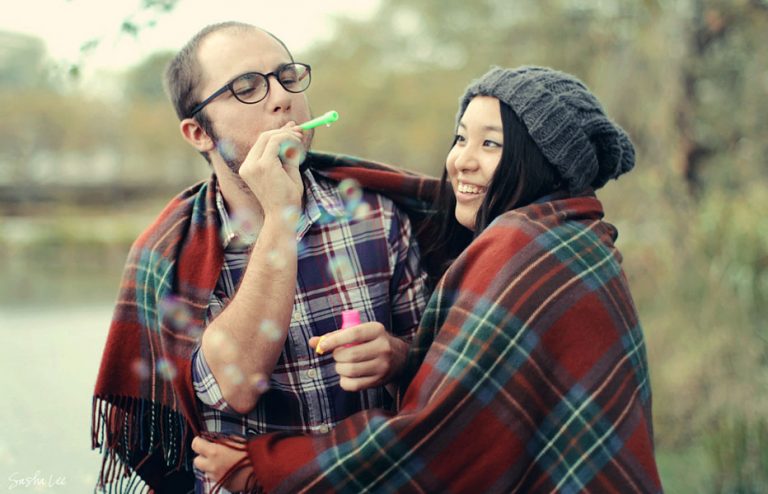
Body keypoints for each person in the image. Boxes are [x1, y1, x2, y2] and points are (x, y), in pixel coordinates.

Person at [192, 65, 663, 493]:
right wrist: (402, 358)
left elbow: (439, 440)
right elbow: (492, 414)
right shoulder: (580, 239)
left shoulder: (518, 246)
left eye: (491, 143)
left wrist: (266, 466)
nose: (462, 161)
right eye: (460, 139)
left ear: (541, 161)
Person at [90, 22, 431, 492]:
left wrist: (396, 356)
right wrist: (280, 215)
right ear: (197, 133)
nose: (281, 98)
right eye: (246, 87)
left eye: (287, 76)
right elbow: (235, 388)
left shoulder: (378, 216)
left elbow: (438, 374)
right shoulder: (172, 255)